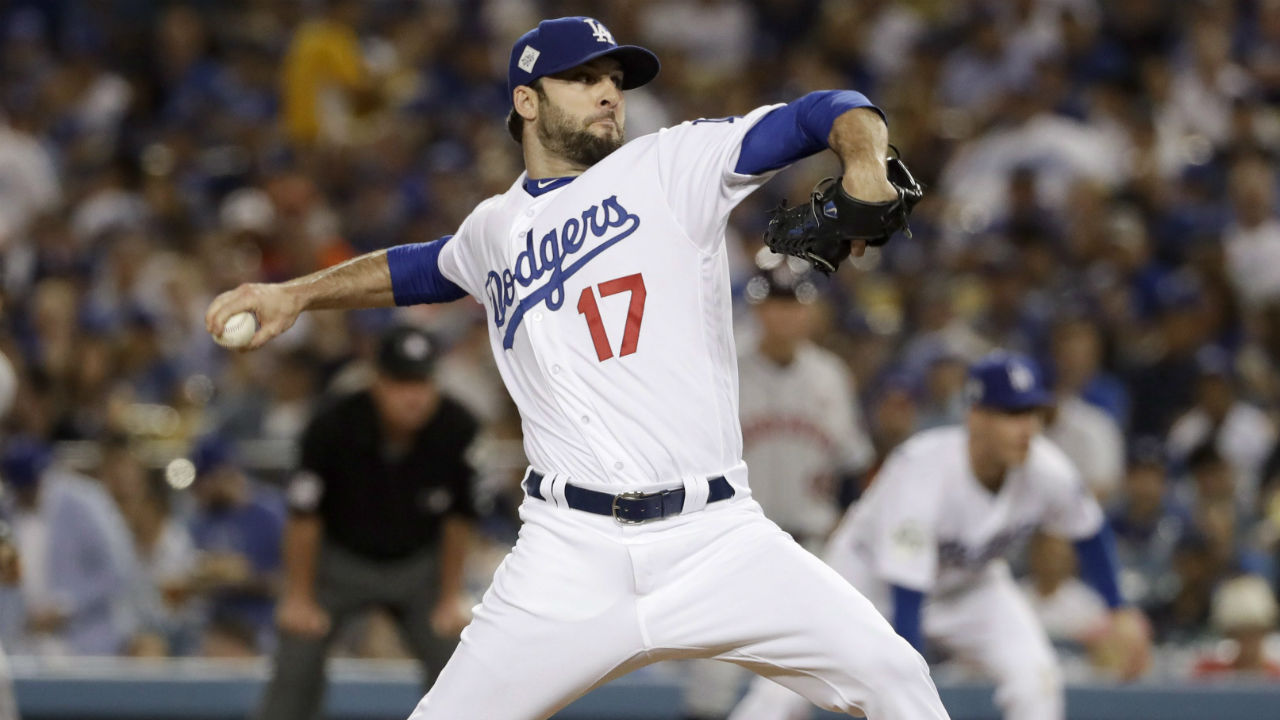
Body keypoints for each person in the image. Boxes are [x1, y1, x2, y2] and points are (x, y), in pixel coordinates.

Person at [207, 16, 949, 720]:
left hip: (717, 538)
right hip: (569, 553)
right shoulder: (494, 228)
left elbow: (829, 109)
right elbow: (420, 268)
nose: (607, 91)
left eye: (614, 78)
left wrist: (863, 157)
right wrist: (295, 293)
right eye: (581, 77)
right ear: (526, 101)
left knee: (895, 678)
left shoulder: (670, 164)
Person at [730, 352, 1151, 720]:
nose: (1026, 428)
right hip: (869, 582)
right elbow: (907, 602)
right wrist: (905, 678)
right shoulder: (924, 472)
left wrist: (1118, 610)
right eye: (1010, 414)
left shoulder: (1045, 468)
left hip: (971, 586)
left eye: (1031, 413)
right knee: (784, 694)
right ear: (976, 417)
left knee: (1036, 679)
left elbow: (1089, 532)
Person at [255, 325, 478, 720]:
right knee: (298, 650)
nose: (413, 395)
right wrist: (299, 595)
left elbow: (459, 520)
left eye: (422, 382)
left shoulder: (457, 427)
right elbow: (304, 517)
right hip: (340, 563)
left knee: (459, 655)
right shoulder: (332, 423)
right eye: (401, 381)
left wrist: (449, 596)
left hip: (417, 567)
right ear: (378, 381)